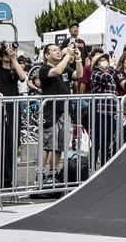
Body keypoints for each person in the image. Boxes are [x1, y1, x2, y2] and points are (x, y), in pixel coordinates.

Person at [38, 42, 82, 187]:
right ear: (46, 55)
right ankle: (39, 174)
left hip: (65, 110)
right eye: (54, 50)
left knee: (60, 146)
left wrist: (78, 59)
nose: (58, 52)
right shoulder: (44, 69)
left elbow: (78, 74)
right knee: (48, 144)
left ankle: (54, 173)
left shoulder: (65, 68)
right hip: (51, 110)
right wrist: (67, 54)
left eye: (58, 50)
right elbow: (56, 71)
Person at [0, 41, 27, 191]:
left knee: (12, 146)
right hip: (1, 111)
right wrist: (0, 45)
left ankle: (9, 181)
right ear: (1, 56)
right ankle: (0, 181)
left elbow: (23, 77)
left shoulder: (14, 71)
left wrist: (14, 58)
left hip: (14, 110)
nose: (8, 54)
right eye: (6, 53)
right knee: (0, 146)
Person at [89, 53, 119, 165]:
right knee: (97, 141)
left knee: (107, 141)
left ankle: (104, 165)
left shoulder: (111, 75)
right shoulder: (96, 74)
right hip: (100, 111)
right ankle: (90, 168)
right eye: (101, 60)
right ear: (96, 65)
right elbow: (106, 78)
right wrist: (111, 66)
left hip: (112, 112)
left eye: (105, 59)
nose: (105, 61)